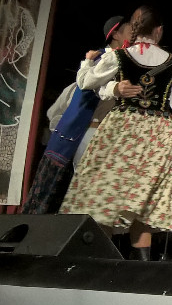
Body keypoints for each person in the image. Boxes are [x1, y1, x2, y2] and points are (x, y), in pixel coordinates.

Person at [59, 6, 172, 260]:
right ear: (159, 31)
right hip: (157, 132)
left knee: (107, 191)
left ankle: (98, 258)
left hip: (123, 127)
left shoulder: (118, 57)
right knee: (145, 197)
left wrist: (89, 63)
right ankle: (142, 265)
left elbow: (85, 82)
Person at [22, 15, 130, 214]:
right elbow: (83, 87)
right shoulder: (104, 59)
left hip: (108, 134)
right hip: (90, 131)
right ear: (116, 34)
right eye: (130, 28)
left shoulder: (123, 62)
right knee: (84, 186)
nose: (135, 33)